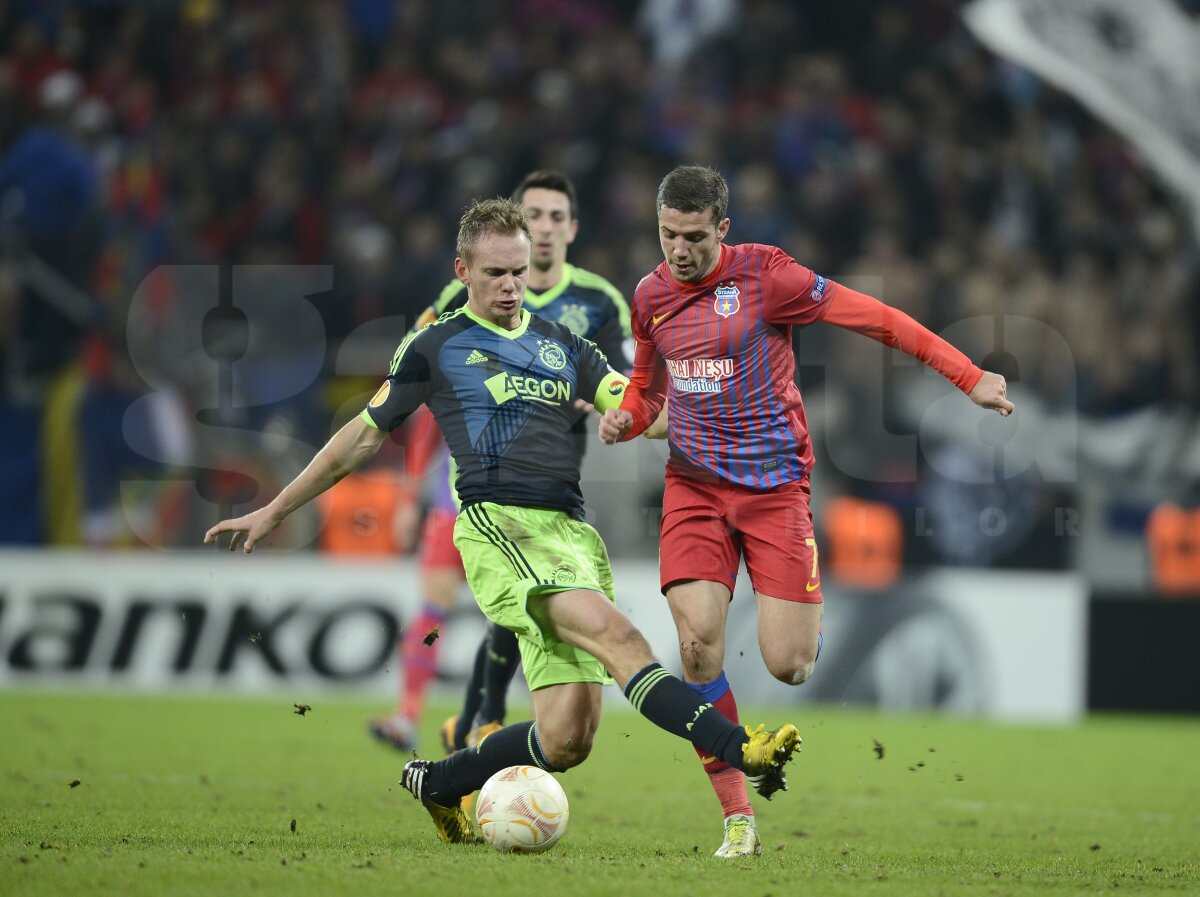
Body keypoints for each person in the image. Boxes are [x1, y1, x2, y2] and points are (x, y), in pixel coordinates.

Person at [205, 197, 801, 845]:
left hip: (571, 536)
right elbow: (361, 438)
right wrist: (276, 506)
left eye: (519, 272)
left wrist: (723, 410)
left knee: (567, 738)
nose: (512, 285)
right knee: (622, 640)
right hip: (500, 529)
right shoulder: (435, 345)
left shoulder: (561, 343)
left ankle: (438, 780)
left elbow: (645, 411)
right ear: (463, 270)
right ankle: (745, 747)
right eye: (495, 273)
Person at [599, 165, 1015, 858]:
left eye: (694, 236)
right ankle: (737, 816)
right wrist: (626, 416)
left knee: (789, 664)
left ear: (722, 229)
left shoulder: (770, 278)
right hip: (694, 488)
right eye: (668, 234)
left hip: (774, 492)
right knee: (697, 642)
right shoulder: (649, 296)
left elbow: (877, 319)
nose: (678, 250)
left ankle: (803, 620)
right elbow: (647, 390)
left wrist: (967, 376)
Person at [366, 169, 642, 755]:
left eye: (554, 217)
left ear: (572, 228)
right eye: (532, 215)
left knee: (523, 610)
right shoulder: (458, 303)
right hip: (466, 487)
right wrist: (417, 488)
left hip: (552, 487)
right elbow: (410, 387)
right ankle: (413, 714)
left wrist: (608, 407)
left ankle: (475, 724)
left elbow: (626, 387)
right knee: (438, 605)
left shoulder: (596, 304)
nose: (542, 228)